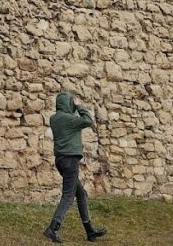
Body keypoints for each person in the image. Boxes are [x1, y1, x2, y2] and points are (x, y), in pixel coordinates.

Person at [44, 91, 107, 242]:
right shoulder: (70, 119)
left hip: (60, 160)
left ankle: (90, 231)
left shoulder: (54, 118)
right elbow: (88, 120)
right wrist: (79, 106)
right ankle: (52, 228)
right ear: (69, 103)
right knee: (68, 196)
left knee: (81, 194)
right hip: (71, 161)